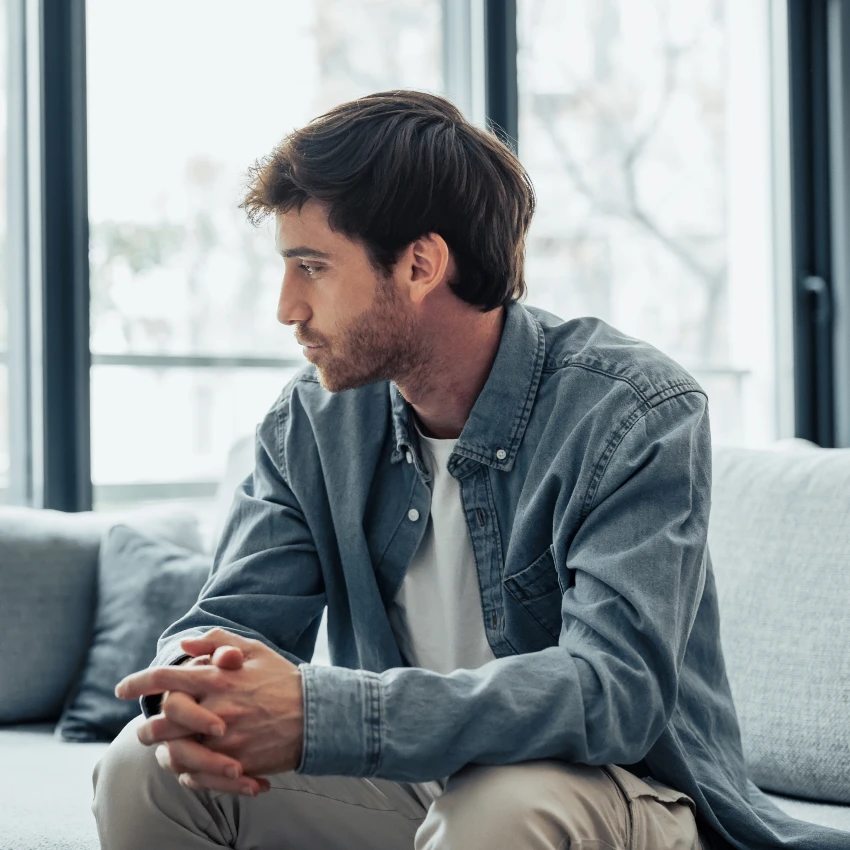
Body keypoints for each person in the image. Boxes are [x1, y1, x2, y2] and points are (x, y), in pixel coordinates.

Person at [91, 91, 849, 850]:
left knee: (497, 809)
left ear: (421, 263)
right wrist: (196, 695)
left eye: (313, 267)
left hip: (612, 789)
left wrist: (328, 713)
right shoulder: (310, 427)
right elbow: (228, 621)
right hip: (411, 780)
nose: (288, 307)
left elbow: (616, 692)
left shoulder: (633, 412)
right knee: (144, 765)